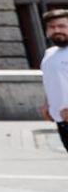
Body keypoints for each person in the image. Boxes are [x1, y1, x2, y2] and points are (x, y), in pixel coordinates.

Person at [41, 9, 68, 152]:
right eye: (52, 27)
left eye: (62, 26)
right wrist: (47, 104)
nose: (57, 30)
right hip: (61, 120)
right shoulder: (49, 54)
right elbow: (52, 81)